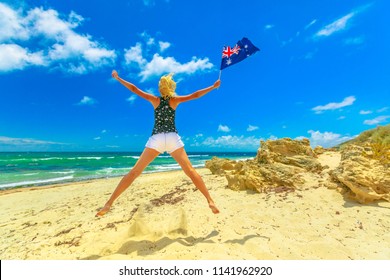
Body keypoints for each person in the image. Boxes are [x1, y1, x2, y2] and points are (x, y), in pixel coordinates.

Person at [96, 70, 221, 216]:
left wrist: (118, 78)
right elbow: (196, 95)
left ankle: (108, 204)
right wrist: (212, 87)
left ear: (160, 88)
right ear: (171, 87)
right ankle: (210, 200)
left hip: (157, 139)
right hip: (173, 138)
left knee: (135, 172)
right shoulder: (175, 101)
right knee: (191, 171)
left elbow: (134, 89)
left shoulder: (155, 100)